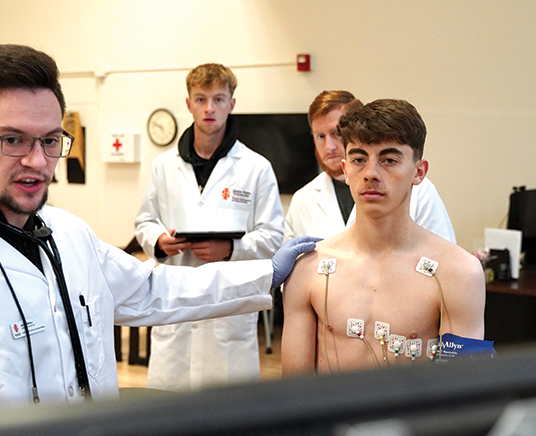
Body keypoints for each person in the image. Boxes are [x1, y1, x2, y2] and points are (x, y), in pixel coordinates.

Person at [0, 44, 316, 420]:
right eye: (13, 140)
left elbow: (155, 290)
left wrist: (266, 275)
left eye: (50, 141)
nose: (37, 161)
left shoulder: (68, 235)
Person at [281, 99, 484, 375]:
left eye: (389, 160)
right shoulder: (308, 269)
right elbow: (295, 388)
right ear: (346, 169)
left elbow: (461, 385)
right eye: (359, 160)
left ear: (419, 172)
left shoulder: (458, 272)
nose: (371, 174)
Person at [134, 63, 284, 391]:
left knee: (228, 410)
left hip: (228, 310)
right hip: (175, 305)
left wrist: (230, 249)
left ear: (231, 103)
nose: (209, 109)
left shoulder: (256, 168)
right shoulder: (164, 166)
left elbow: (273, 236)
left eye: (218, 99)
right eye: (201, 99)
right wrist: (159, 240)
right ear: (188, 104)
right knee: (169, 407)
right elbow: (145, 220)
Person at [284, 90, 456, 243]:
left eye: (336, 134)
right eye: (320, 136)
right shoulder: (302, 200)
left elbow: (440, 254)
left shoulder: (419, 190)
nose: (329, 147)